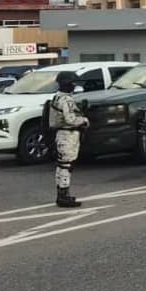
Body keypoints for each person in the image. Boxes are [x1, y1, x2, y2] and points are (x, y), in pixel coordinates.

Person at [47, 71, 89, 208]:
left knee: (61, 165)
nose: (74, 86)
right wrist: (83, 120)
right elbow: (70, 119)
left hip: (60, 134)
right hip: (68, 134)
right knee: (67, 165)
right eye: (72, 83)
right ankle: (64, 196)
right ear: (67, 84)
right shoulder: (66, 100)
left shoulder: (56, 97)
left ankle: (61, 194)